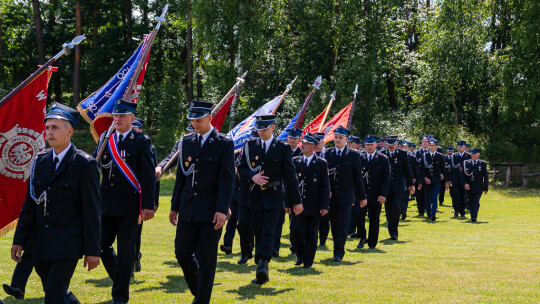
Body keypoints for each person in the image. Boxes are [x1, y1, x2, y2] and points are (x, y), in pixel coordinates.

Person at [11, 103, 100, 304]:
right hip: (41, 243)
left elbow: (92, 210)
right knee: (56, 292)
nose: (49, 132)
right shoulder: (39, 161)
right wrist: (20, 240)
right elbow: (29, 206)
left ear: (70, 131)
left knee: (52, 294)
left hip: (68, 243)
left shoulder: (84, 164)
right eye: (48, 127)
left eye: (55, 128)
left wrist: (93, 250)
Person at [168, 101, 234, 303]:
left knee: (206, 258)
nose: (194, 123)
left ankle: (202, 299)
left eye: (198, 119)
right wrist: (174, 207)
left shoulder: (224, 143)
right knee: (182, 252)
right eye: (192, 120)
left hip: (211, 210)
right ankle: (200, 292)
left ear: (209, 118)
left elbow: (227, 179)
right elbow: (182, 177)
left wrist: (222, 209)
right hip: (188, 208)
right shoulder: (186, 142)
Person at [94, 99, 156, 304]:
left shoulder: (141, 141)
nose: (117, 119)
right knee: (100, 246)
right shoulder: (105, 138)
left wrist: (147, 205)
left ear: (132, 118)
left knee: (126, 250)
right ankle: (121, 278)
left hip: (130, 207)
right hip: (107, 204)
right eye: (116, 116)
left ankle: (120, 295)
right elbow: (96, 167)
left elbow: (147, 176)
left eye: (122, 116)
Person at [238, 114, 302, 285]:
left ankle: (263, 264)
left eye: (264, 128)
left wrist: (296, 201)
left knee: (268, 230)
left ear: (272, 128)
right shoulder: (250, 145)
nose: (261, 132)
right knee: (257, 231)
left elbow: (291, 175)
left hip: (274, 195)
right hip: (255, 195)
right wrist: (253, 177)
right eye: (259, 128)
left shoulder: (282, 147)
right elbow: (241, 168)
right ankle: (261, 262)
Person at [324, 126, 366, 261]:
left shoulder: (353, 155)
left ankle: (339, 252)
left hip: (346, 196)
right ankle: (337, 247)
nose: (337, 140)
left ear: (346, 140)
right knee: (334, 225)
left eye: (340, 138)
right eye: (336, 137)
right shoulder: (327, 154)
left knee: (342, 224)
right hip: (331, 196)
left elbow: (358, 177)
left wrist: (362, 196)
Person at [289, 133, 330, 268]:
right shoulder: (295, 161)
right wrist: (287, 203)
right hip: (297, 204)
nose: (303, 145)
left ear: (313, 146)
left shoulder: (321, 163)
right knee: (295, 231)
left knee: (311, 233)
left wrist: (325, 205)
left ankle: (308, 261)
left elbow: (325, 186)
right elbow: (289, 184)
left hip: (314, 204)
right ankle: (299, 254)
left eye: (306, 144)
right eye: (303, 143)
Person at [131, 117, 160, 274]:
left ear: (141, 130)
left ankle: (135, 258)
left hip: (140, 197)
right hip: (123, 197)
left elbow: (153, 176)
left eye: (137, 129)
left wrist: (154, 200)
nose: (134, 131)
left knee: (136, 232)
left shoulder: (148, 146)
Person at [357, 135, 390, 249]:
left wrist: (383, 194)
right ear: (364, 145)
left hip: (376, 194)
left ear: (376, 145)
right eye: (367, 145)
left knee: (374, 219)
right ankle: (362, 237)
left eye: (371, 144)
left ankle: (372, 242)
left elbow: (386, 178)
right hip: (362, 194)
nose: (369, 147)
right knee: (359, 216)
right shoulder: (360, 157)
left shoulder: (383, 158)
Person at [381, 137, 414, 240]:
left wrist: (411, 185)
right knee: (388, 209)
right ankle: (391, 229)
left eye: (393, 143)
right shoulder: (382, 154)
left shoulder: (402, 154)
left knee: (396, 207)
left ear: (397, 144)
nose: (390, 145)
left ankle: (394, 232)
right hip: (386, 187)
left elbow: (407, 170)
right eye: (389, 143)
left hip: (399, 185)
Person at [236, 129, 258, 264]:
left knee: (258, 226)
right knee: (243, 224)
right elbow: (239, 168)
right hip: (244, 193)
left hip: (260, 194)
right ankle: (246, 252)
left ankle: (260, 255)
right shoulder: (244, 152)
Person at [417, 138, 446, 221]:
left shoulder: (440, 156)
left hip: (436, 180)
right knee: (427, 198)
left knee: (434, 197)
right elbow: (421, 168)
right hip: (427, 181)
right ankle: (429, 214)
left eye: (433, 145)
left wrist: (446, 180)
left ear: (436, 146)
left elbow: (443, 168)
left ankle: (433, 213)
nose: (431, 147)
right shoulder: (425, 155)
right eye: (430, 145)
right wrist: (425, 178)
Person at [460, 148, 488, 222]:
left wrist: (486, 188)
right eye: (472, 153)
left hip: (478, 187)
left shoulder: (482, 163)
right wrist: (465, 184)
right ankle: (473, 214)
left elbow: (485, 176)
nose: (472, 155)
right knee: (470, 202)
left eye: (474, 154)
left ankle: (474, 217)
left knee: (475, 201)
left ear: (478, 155)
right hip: (469, 187)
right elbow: (462, 175)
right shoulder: (466, 163)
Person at [314, 132, 330, 247]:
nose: (317, 145)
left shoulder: (328, 155)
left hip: (325, 190)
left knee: (324, 217)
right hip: (312, 191)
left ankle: (323, 239)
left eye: (319, 142)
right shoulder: (308, 154)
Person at [449, 141, 471, 217]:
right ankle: (456, 210)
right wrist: (449, 179)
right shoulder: (454, 155)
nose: (459, 148)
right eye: (458, 147)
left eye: (461, 147)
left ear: (464, 147)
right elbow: (451, 168)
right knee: (455, 195)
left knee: (463, 195)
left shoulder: (468, 156)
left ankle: (462, 211)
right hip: (455, 178)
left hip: (464, 179)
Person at [414, 136, 430, 216]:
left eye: (426, 141)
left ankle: (427, 209)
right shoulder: (418, 152)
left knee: (427, 195)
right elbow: (416, 165)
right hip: (419, 177)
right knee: (419, 195)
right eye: (423, 141)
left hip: (429, 177)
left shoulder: (431, 152)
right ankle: (420, 211)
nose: (425, 143)